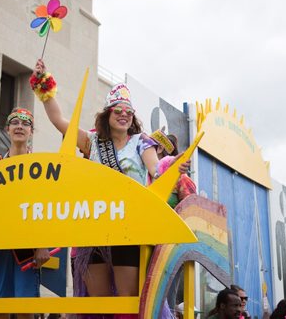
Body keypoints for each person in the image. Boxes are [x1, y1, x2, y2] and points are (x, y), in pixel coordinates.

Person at [32, 59, 190, 319]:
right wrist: (43, 82)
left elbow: (156, 170)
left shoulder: (142, 142)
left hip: (128, 229)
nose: (124, 114)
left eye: (128, 111)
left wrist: (173, 166)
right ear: (107, 114)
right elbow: (59, 120)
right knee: (99, 304)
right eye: (118, 109)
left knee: (127, 301)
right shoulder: (93, 142)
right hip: (95, 228)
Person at [0, 108, 51, 319]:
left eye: (25, 123)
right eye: (15, 122)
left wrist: (42, 244)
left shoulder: (40, 167)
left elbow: (46, 207)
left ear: (31, 131)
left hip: (27, 246)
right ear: (7, 129)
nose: (20, 126)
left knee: (24, 307)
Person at [149, 129, 196, 208]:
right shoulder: (146, 175)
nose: (144, 151)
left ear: (160, 148)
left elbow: (191, 210)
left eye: (147, 147)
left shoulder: (181, 177)